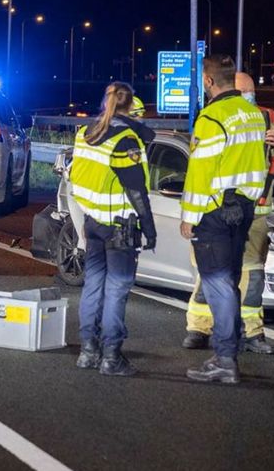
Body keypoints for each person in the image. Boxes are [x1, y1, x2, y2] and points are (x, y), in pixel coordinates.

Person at [184, 71, 274, 355]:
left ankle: (252, 333)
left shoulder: (270, 118)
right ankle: (199, 328)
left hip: (256, 211)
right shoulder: (215, 117)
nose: (246, 97)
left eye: (250, 91)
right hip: (217, 211)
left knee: (252, 275)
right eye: (242, 91)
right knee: (210, 272)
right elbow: (199, 167)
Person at [181, 55, 267, 384]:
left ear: (208, 81)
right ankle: (226, 352)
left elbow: (199, 174)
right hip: (244, 208)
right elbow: (257, 166)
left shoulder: (212, 117)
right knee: (228, 281)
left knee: (217, 285)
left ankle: (225, 357)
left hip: (215, 212)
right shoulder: (253, 116)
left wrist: (190, 216)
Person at [69, 82, 156, 376]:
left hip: (92, 222)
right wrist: (150, 227)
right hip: (120, 226)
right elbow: (136, 189)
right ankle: (111, 356)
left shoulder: (86, 133)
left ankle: (87, 351)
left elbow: (77, 178)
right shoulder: (126, 139)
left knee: (93, 285)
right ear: (131, 106)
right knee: (117, 291)